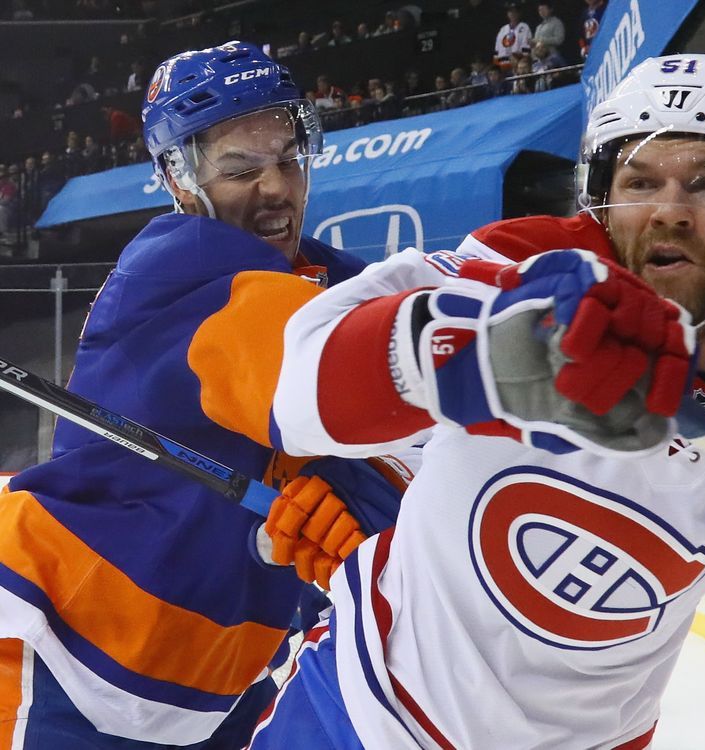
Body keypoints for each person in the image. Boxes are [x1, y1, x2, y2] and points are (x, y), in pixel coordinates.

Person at [203, 56, 705, 747]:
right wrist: (476, 347)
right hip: (359, 707)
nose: (669, 208)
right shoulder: (519, 273)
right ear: (600, 204)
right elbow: (299, 389)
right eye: (639, 181)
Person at [0, 41, 414, 750]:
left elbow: (412, 374)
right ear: (179, 178)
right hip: (75, 642)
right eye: (240, 169)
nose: (277, 187)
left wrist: (373, 490)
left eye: (288, 157)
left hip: (227, 671)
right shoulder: (182, 267)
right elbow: (327, 377)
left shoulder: (326, 275)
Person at [494, 2, 533, 70]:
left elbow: (526, 49)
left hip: (518, 65)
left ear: (519, 13)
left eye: (515, 12)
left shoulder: (524, 27)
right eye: (510, 12)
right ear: (507, 14)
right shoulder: (503, 29)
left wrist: (520, 60)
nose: (513, 14)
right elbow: (497, 49)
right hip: (502, 65)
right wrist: (496, 66)